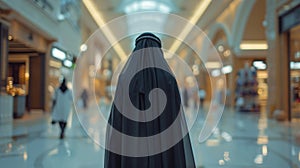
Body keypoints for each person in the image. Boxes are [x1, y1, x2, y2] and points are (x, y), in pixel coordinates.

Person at [104, 33, 195, 167]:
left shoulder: (124, 79)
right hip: (163, 146)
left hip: (130, 146)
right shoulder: (168, 79)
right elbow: (174, 118)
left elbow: (117, 119)